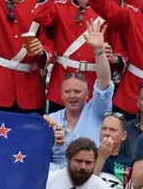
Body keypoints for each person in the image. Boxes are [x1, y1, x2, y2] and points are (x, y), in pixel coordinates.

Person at [34, 0, 124, 112]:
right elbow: (38, 15)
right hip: (61, 87)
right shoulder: (59, 7)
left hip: (93, 87)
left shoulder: (107, 12)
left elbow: (120, 52)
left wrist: (114, 58)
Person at [46, 20, 114, 164]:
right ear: (61, 94)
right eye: (68, 91)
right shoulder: (51, 120)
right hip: (57, 178)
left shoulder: (97, 111)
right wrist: (49, 139)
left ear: (87, 94)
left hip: (90, 174)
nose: (72, 96)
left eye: (77, 91)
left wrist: (98, 50)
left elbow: (104, 81)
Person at [43, 138, 113, 189]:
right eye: (79, 161)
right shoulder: (49, 180)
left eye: (88, 163)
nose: (83, 167)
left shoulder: (100, 187)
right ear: (68, 159)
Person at [93, 113, 132, 189]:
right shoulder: (88, 156)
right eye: (104, 128)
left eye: (112, 130)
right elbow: (86, 185)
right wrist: (101, 157)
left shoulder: (129, 164)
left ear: (123, 136)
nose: (107, 133)